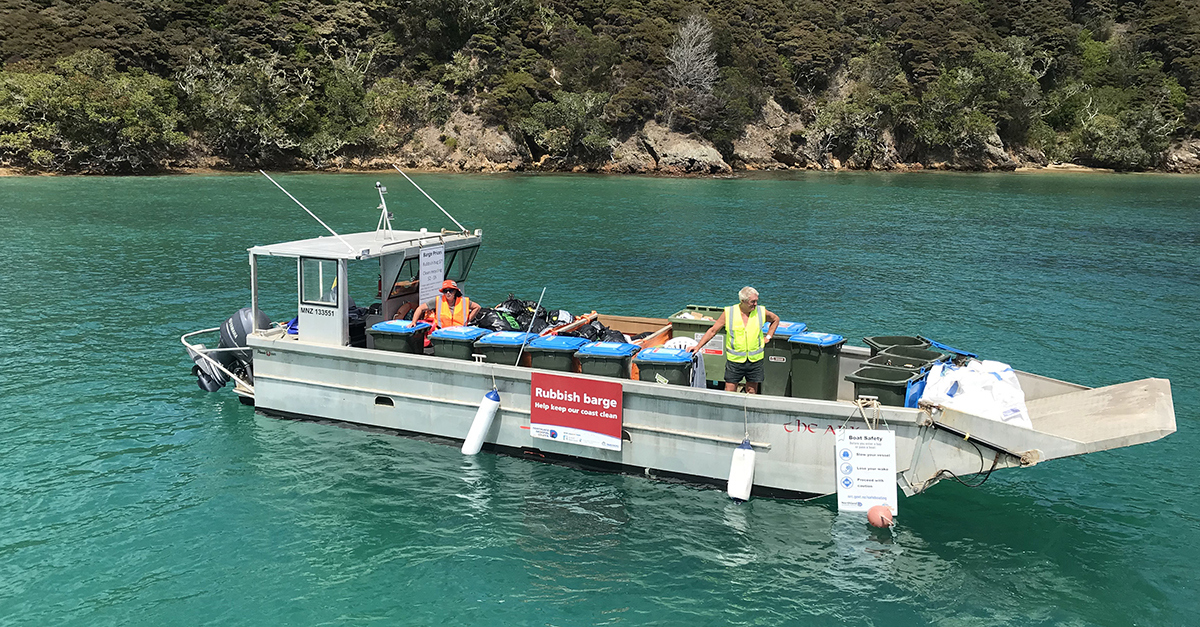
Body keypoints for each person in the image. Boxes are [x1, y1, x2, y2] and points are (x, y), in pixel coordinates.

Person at [688, 286, 780, 394]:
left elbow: (775, 319)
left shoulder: (760, 311)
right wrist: (698, 347)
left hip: (755, 360)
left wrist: (768, 337)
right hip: (735, 361)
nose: (755, 304)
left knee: (752, 391)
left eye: (756, 301)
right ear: (743, 301)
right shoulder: (729, 312)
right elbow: (713, 331)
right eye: (753, 302)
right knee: (730, 390)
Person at [406, 279, 481, 331]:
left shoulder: (464, 301)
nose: (448, 293)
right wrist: (413, 322)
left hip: (459, 333)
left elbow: (477, 307)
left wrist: (468, 320)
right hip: (442, 332)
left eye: (450, 290)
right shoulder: (438, 300)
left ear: (455, 291)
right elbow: (420, 309)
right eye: (445, 291)